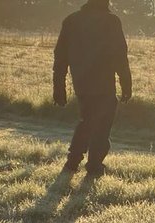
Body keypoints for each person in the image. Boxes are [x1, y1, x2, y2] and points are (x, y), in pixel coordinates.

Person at [53, 0, 132, 178]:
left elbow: (60, 57)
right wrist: (126, 83)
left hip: (81, 82)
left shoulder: (71, 20)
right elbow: (120, 55)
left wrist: (59, 87)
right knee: (102, 125)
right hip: (104, 82)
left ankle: (73, 161)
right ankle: (94, 164)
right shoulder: (111, 21)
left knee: (86, 120)